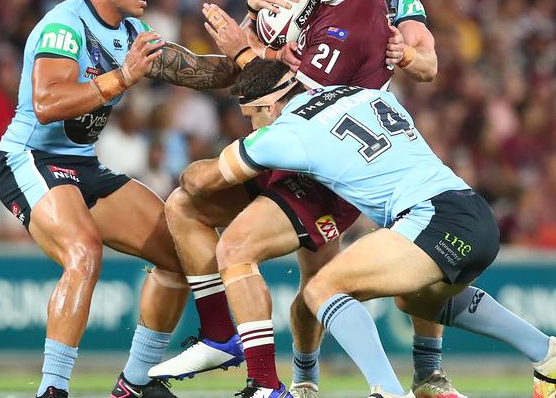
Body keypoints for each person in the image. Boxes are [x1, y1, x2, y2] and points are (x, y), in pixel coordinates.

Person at [151, 0, 448, 398]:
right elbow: (251, 47)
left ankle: (316, 381)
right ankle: (225, 338)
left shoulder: (387, 2)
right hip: (283, 147)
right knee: (184, 204)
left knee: (309, 276)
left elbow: (305, 100)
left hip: (331, 163)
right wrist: (252, 15)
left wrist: (409, 55)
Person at [178, 57, 556, 398]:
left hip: (431, 217)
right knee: (415, 298)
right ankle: (546, 352)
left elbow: (200, 182)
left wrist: (191, 170)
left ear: (267, 106)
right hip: (471, 211)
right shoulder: (358, 92)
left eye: (251, 116)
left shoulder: (284, 132)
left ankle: (387, 391)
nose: (251, 124)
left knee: (323, 286)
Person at [0, 0, 240, 398]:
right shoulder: (63, 26)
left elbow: (204, 73)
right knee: (84, 252)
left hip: (82, 164)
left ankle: (135, 384)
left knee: (179, 253)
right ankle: (53, 390)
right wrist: (123, 77)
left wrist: (251, 52)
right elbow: (47, 103)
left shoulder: (131, 33)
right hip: (30, 158)